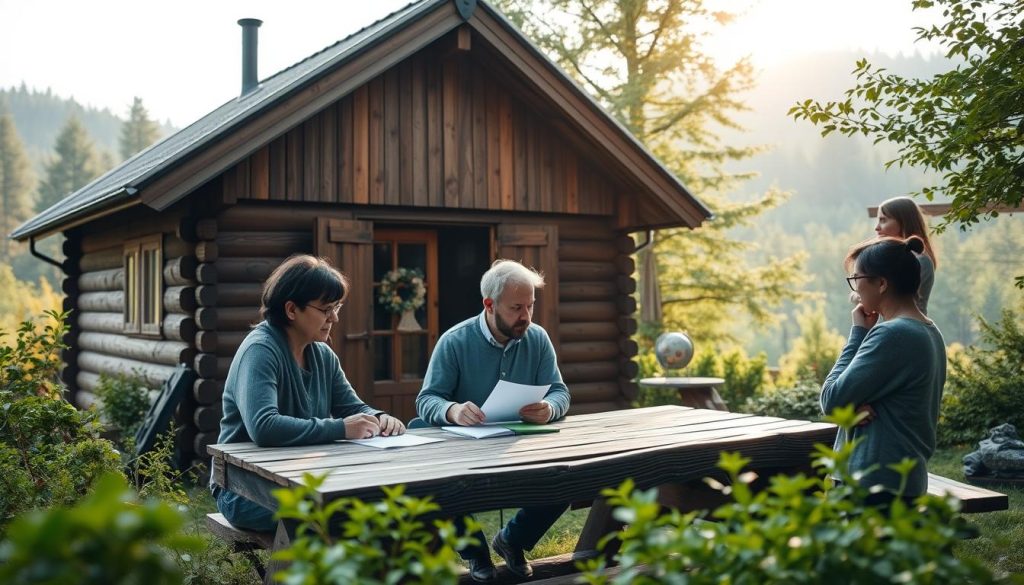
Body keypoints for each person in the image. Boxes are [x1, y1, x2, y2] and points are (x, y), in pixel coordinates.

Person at [211, 254, 406, 532]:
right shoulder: (260, 351)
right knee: (347, 512)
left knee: (386, 501)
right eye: (326, 309)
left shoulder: (323, 354)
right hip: (244, 490)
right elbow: (264, 427)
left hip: (301, 479)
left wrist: (379, 417)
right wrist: (341, 429)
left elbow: (353, 408)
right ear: (291, 310)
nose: (335, 318)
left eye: (337, 307)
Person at [416, 259, 571, 583]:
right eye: (517, 307)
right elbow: (427, 399)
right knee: (442, 487)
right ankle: (475, 553)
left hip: (521, 447)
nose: (526, 316)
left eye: (530, 305)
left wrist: (549, 407)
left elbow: (559, 391)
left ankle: (513, 541)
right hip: (462, 453)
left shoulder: (537, 338)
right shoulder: (455, 341)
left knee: (571, 477)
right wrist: (452, 411)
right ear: (489, 304)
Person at [821, 236, 946, 505]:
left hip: (873, 483)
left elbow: (830, 398)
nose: (855, 290)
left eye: (857, 279)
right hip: (900, 478)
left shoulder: (893, 334)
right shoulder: (929, 331)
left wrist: (858, 333)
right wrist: (851, 407)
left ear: (881, 283)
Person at [874, 196, 939, 314]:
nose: (877, 228)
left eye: (883, 220)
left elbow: (886, 297)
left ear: (903, 222)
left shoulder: (919, 261)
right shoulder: (889, 258)